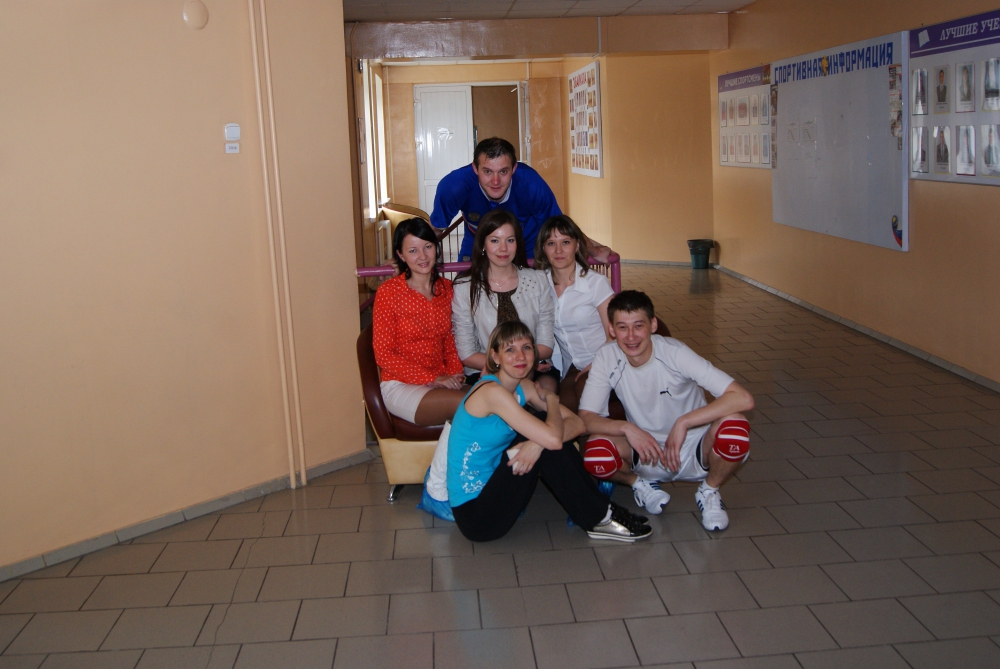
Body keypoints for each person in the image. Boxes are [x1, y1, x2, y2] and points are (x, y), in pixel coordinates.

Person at [447, 320, 651, 543]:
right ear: (495, 357)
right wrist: (552, 400)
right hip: (476, 515)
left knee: (544, 434)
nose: (520, 356)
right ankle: (599, 516)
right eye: (510, 350)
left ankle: (600, 513)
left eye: (526, 348)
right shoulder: (491, 392)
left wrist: (535, 444)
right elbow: (553, 438)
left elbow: (577, 424)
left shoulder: (523, 386)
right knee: (546, 428)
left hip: (497, 486)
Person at [577, 290, 755, 531]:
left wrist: (684, 422)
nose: (631, 336)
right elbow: (586, 418)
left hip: (695, 447)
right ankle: (640, 484)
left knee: (735, 426)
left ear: (653, 325)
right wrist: (627, 428)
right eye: (622, 327)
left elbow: (743, 398)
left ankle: (709, 490)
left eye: (638, 326)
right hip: (646, 451)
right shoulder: (606, 357)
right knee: (596, 453)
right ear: (611, 330)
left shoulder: (675, 353)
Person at [430, 137, 610, 262]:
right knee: (465, 284)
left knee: (530, 286)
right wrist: (415, 257)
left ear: (514, 169)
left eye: (503, 171)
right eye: (487, 171)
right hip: (477, 238)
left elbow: (558, 224)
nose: (495, 181)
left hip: (526, 239)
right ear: (475, 169)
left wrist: (593, 250)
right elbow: (435, 229)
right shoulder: (454, 186)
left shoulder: (531, 184)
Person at [372, 218, 466, 426]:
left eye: (428, 247)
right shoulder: (389, 293)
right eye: (413, 251)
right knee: (474, 404)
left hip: (442, 380)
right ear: (401, 255)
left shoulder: (447, 289)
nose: (423, 256)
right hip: (401, 385)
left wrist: (455, 374)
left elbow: (450, 340)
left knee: (491, 396)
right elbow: (384, 354)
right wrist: (431, 378)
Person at [452, 210, 558, 391]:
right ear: (483, 244)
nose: (503, 248)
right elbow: (467, 353)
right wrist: (505, 366)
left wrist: (524, 362)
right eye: (495, 241)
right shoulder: (464, 287)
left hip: (533, 366)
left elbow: (546, 345)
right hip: (486, 368)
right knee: (511, 393)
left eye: (510, 240)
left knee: (543, 393)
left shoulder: (538, 280)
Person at [533, 215, 613, 412]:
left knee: (586, 402)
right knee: (562, 411)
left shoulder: (595, 283)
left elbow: (614, 335)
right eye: (551, 243)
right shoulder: (540, 284)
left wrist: (597, 365)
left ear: (577, 245)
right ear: (543, 248)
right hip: (572, 367)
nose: (558, 250)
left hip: (605, 361)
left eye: (566, 242)